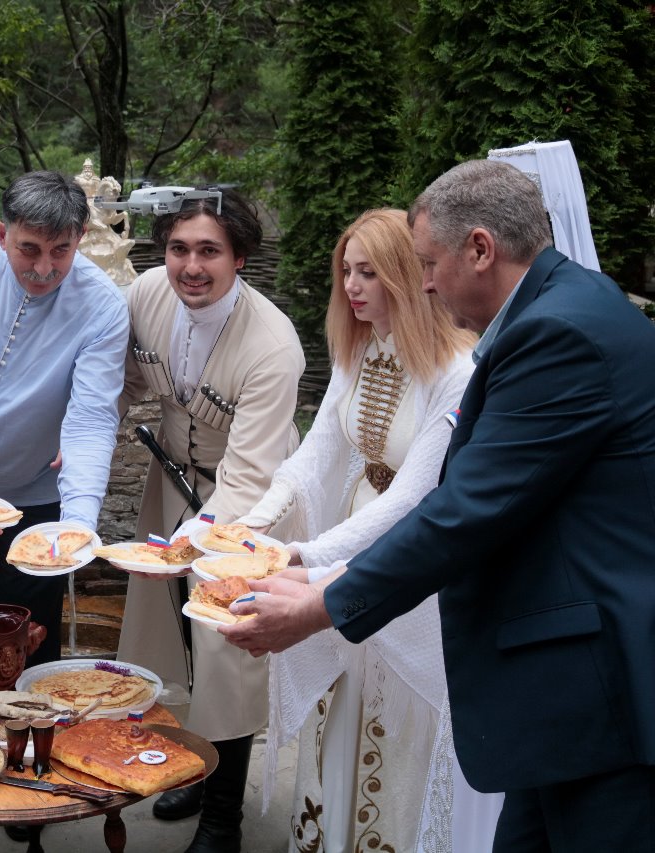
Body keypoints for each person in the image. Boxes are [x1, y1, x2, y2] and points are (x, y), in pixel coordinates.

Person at [223, 159, 655, 850]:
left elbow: (462, 511)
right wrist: (299, 563)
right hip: (569, 699)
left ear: (481, 249)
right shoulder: (564, 308)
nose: (421, 281)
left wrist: (316, 601)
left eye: (428, 262)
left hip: (604, 694)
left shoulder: (556, 335)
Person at [236, 209, 499, 851]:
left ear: (408, 277)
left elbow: (413, 497)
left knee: (398, 709)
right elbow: (317, 452)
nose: (352, 287)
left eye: (369, 273)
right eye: (346, 271)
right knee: (342, 692)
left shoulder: (456, 371)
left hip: (412, 559)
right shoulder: (358, 347)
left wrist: (305, 555)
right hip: (346, 536)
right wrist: (250, 522)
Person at [113, 190, 305, 853]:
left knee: (228, 651)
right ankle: (197, 765)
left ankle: (223, 817)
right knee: (174, 634)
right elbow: (126, 380)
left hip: (248, 511)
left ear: (240, 258)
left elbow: (252, 475)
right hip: (173, 491)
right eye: (178, 249)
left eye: (209, 251)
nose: (191, 266)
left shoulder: (274, 345)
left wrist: (190, 547)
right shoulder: (145, 296)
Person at [0, 170, 129, 667]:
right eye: (28, 249)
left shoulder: (103, 307)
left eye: (61, 251)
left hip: (36, 497)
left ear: (79, 240)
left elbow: (92, 419)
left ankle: (29, 743)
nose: (44, 268)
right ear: (0, 233)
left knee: (31, 643)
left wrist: (75, 526)